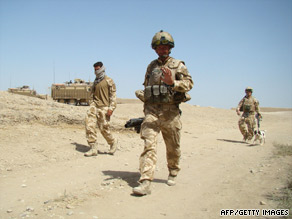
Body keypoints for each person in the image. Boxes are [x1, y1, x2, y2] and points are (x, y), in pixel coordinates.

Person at [132, 30, 194, 196]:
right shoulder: (151, 66)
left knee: (173, 147)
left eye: (165, 47)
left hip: (170, 113)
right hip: (152, 112)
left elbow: (189, 84)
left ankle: (173, 170)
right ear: (155, 49)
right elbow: (147, 87)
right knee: (148, 146)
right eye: (159, 47)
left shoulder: (178, 65)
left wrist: (172, 82)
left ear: (170, 48)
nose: (162, 50)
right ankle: (145, 181)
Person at [84, 61, 117, 156]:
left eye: (98, 69)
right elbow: (92, 94)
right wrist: (91, 104)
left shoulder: (109, 80)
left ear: (102, 69)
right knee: (89, 125)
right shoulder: (95, 81)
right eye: (95, 70)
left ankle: (113, 142)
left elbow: (113, 96)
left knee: (104, 129)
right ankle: (93, 147)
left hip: (105, 108)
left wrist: (111, 108)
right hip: (94, 107)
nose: (96, 71)